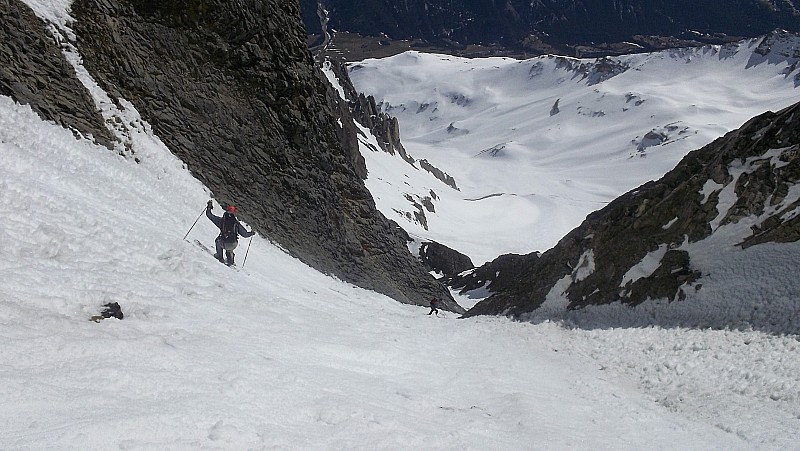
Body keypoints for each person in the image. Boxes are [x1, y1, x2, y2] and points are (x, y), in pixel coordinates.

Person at [206, 200, 255, 266]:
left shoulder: (221, 221)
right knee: (230, 247)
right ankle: (230, 260)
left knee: (218, 241)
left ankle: (219, 256)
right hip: (234, 244)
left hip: (224, 242)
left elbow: (209, 215)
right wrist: (252, 233)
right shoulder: (236, 223)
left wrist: (209, 207)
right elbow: (245, 234)